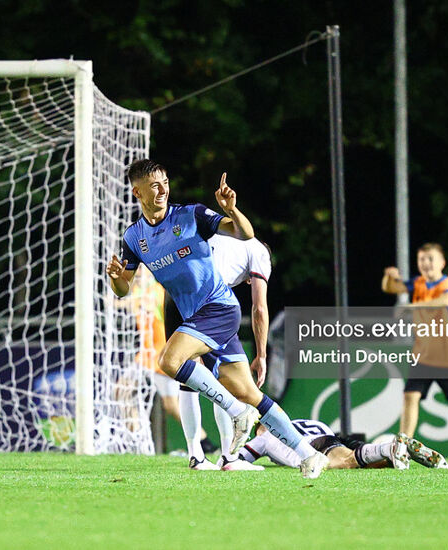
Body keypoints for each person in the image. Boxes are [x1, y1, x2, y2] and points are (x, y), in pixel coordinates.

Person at [107, 159, 328, 478]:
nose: (162, 190)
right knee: (251, 394)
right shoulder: (134, 237)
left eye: (165, 182)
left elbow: (245, 234)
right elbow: (123, 289)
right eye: (154, 185)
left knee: (170, 362)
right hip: (196, 317)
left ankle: (235, 414)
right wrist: (116, 277)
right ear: (137, 192)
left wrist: (232, 210)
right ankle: (308, 454)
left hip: (218, 308)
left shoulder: (190, 215)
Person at [172, 234, 272, 470]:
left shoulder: (224, 240)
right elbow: (259, 308)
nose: (248, 281)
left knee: (189, 374)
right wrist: (262, 355)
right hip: (208, 304)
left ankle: (196, 455)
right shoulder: (259, 252)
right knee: (228, 378)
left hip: (176, 296)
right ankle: (229, 456)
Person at [381, 243, 448, 459]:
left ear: (442, 262)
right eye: (422, 259)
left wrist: (410, 307)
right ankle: (402, 446)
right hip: (424, 353)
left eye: (430, 259)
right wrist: (389, 276)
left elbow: (444, 301)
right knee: (410, 395)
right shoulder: (418, 283)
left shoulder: (447, 283)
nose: (425, 263)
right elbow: (390, 288)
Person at [114, 266, 216, 453]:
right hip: (146, 356)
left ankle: (205, 443)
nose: (138, 273)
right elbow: (128, 302)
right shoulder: (138, 291)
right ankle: (136, 437)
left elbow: (136, 303)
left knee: (170, 405)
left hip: (162, 356)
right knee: (121, 391)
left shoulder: (156, 291)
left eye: (141, 270)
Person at [237, 418, 448, 470]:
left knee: (345, 461)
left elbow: (235, 462)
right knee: (357, 463)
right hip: (327, 436)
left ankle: (390, 447)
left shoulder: (263, 437)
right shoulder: (302, 421)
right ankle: (400, 455)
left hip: (312, 447)